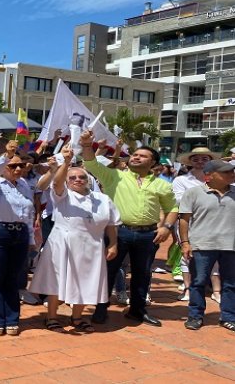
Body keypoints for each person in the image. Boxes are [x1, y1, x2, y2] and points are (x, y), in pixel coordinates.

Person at [80, 131, 178, 327]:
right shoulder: (115, 176)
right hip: (118, 233)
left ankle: (137, 311)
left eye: (142, 155)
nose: (135, 156)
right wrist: (86, 145)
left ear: (153, 163)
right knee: (109, 271)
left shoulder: (162, 185)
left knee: (143, 274)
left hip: (148, 235)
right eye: (134, 154)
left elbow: (172, 208)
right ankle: (101, 309)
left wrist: (166, 227)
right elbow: (91, 164)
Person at [29, 146, 121, 333]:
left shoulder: (102, 199)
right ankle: (52, 316)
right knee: (56, 280)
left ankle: (78, 316)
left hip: (93, 244)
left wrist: (113, 244)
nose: (78, 180)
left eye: (82, 177)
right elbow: (56, 184)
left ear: (89, 180)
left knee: (87, 279)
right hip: (63, 243)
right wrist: (66, 163)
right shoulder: (62, 195)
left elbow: (112, 223)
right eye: (73, 178)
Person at [0, 139, 34, 336]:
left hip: (19, 233)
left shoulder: (24, 185)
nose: (17, 169)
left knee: (13, 278)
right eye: (13, 166)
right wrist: (6, 156)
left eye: (20, 165)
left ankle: (11, 318)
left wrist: (31, 239)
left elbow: (29, 212)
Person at [179, 160, 235, 332]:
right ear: (210, 175)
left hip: (231, 245)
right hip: (201, 244)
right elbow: (184, 220)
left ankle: (228, 317)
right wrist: (185, 243)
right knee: (198, 282)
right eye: (226, 172)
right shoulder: (193, 193)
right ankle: (195, 316)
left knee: (231, 283)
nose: (232, 174)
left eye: (232, 171)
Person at [173, 147, 221, 303]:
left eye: (204, 159)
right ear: (190, 161)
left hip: (215, 222)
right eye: (196, 159)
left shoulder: (219, 179)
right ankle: (188, 288)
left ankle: (216, 290)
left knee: (216, 256)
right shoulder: (181, 180)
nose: (200, 162)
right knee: (187, 255)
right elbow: (180, 201)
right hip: (189, 222)